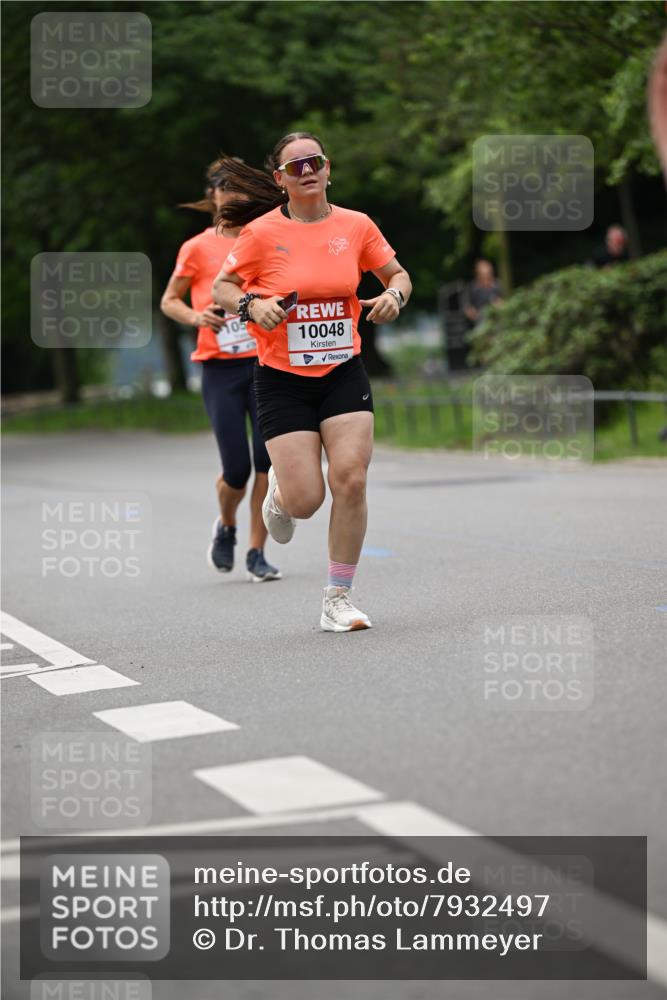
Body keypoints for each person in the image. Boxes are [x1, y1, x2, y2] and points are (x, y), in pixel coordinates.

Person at [212, 134, 412, 631]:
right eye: (295, 165)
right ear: (280, 179)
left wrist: (393, 296)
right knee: (307, 500)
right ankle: (281, 493)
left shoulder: (356, 225)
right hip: (282, 379)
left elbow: (400, 275)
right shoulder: (260, 233)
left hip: (343, 369)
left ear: (328, 168)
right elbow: (223, 285)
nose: (307, 170)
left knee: (351, 478)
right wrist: (252, 305)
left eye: (315, 161)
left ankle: (337, 598)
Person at [160, 159, 281, 582]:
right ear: (212, 194)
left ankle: (256, 552)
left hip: (266, 362)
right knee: (236, 469)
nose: (232, 193)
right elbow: (169, 300)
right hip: (219, 369)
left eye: (238, 186)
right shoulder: (195, 248)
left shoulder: (264, 239)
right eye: (223, 186)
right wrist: (197, 318)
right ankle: (226, 526)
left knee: (267, 462)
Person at [462, 258, 503, 327]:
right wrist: (471, 312)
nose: (486, 276)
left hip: (496, 320)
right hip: (479, 322)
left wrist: (500, 304)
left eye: (488, 273)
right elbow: (466, 308)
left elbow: (505, 302)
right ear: (478, 274)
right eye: (483, 274)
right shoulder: (472, 288)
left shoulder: (497, 286)